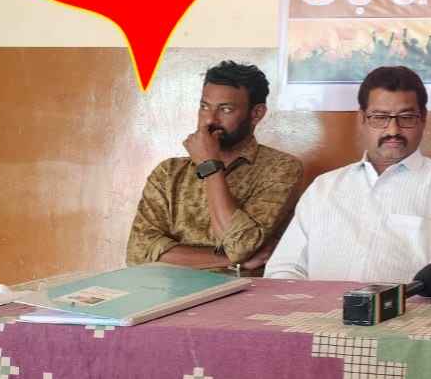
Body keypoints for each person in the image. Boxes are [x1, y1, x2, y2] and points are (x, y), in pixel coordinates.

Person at [265, 66, 431, 282]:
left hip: (407, 305)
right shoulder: (323, 187)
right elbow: (285, 267)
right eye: (380, 117)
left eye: (406, 117)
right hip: (316, 304)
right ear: (362, 118)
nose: (393, 130)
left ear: (423, 118)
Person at [126, 61, 302, 273]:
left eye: (226, 109)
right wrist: (231, 261)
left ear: (256, 114)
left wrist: (209, 166)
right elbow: (138, 253)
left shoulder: (281, 168)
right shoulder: (168, 172)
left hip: (242, 291)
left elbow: (240, 245)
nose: (210, 119)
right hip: (166, 288)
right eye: (204, 107)